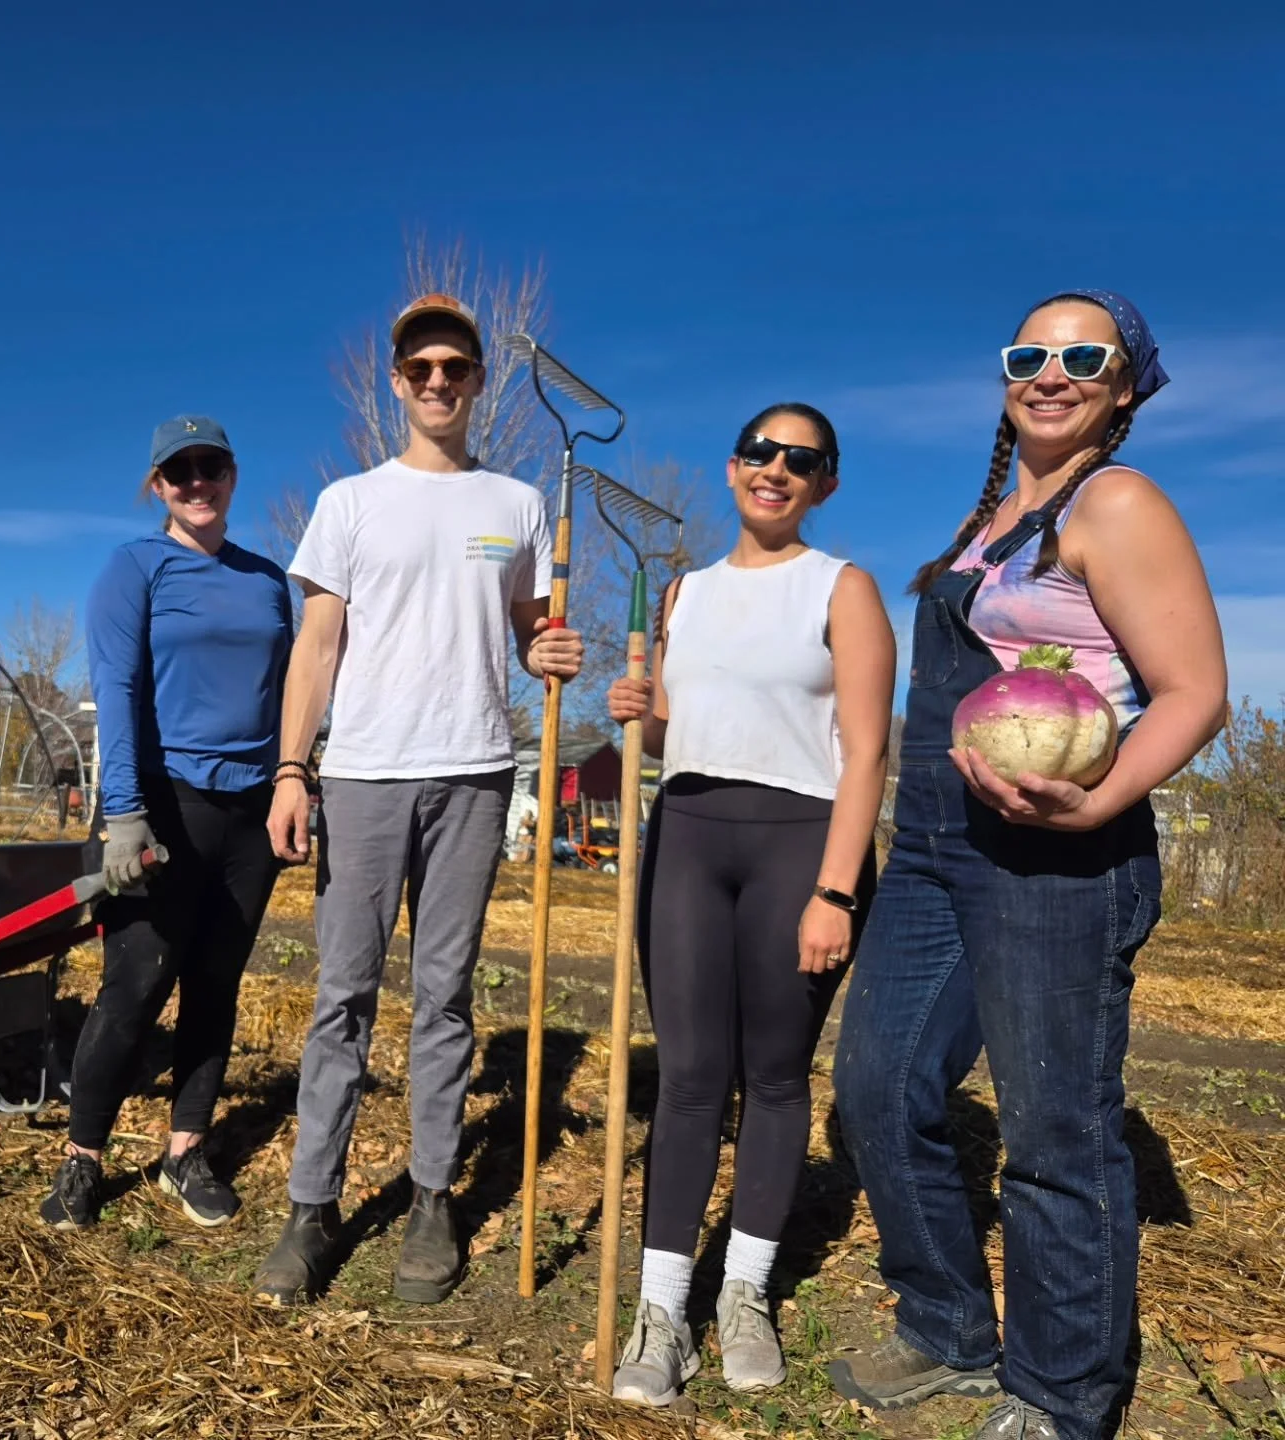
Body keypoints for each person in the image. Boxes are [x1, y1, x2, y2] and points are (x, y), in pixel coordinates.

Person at [829, 292, 1227, 1440]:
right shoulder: (997, 518)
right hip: (938, 848)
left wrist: (1095, 798)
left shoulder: (1119, 502)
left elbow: (1195, 689)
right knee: (875, 1084)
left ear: (1125, 384)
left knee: (1054, 1131)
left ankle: (1062, 1394)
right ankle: (948, 1327)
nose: (1051, 372)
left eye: (1082, 356)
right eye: (1029, 354)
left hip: (1059, 859)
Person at [253, 294, 584, 1306]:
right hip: (360, 775)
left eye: (457, 367)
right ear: (398, 383)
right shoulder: (350, 503)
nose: (439, 382)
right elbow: (318, 645)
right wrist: (292, 768)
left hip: (476, 772)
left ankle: (436, 1196)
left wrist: (550, 650)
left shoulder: (519, 504)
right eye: (421, 369)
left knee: (444, 998)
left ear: (478, 381)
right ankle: (314, 1208)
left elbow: (529, 628)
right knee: (342, 996)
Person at [605, 404, 896, 1405]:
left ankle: (744, 1295)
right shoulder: (682, 591)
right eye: (761, 453)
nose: (777, 468)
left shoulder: (843, 589)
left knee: (774, 1077)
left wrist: (834, 889)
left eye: (801, 459)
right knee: (688, 1077)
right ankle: (659, 1313)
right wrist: (647, 710)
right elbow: (700, 720)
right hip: (685, 838)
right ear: (732, 470)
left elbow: (866, 751)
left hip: (799, 847)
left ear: (825, 484)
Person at [39, 416, 293, 1231]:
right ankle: (83, 1159)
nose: (196, 482)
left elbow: (292, 691)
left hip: (249, 812)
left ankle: (185, 1151)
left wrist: (298, 780)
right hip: (164, 802)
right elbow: (114, 689)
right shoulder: (135, 567)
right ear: (158, 487)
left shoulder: (267, 579)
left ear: (232, 473)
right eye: (177, 472)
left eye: (210, 466)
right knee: (136, 982)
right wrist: (122, 814)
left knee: (214, 985)